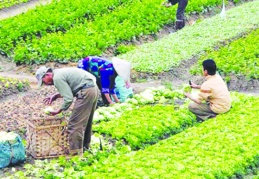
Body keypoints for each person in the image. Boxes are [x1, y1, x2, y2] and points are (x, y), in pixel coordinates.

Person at [35, 66, 98, 156]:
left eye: (43, 81)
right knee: (86, 121)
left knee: (74, 124)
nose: (45, 84)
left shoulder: (57, 78)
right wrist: (56, 96)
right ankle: (85, 147)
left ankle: (76, 154)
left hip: (86, 91)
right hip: (92, 88)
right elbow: (71, 88)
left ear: (47, 75)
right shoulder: (59, 72)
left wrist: (59, 111)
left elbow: (68, 98)